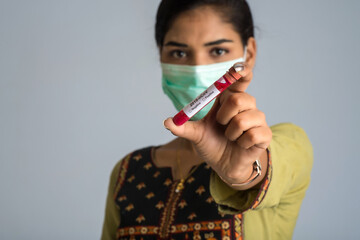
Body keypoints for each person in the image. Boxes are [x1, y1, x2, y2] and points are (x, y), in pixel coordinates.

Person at [101, 0, 313, 239]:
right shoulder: (128, 170)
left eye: (218, 51)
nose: (197, 69)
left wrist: (241, 172)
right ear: (161, 56)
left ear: (249, 54)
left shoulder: (290, 143)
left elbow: (268, 166)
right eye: (179, 53)